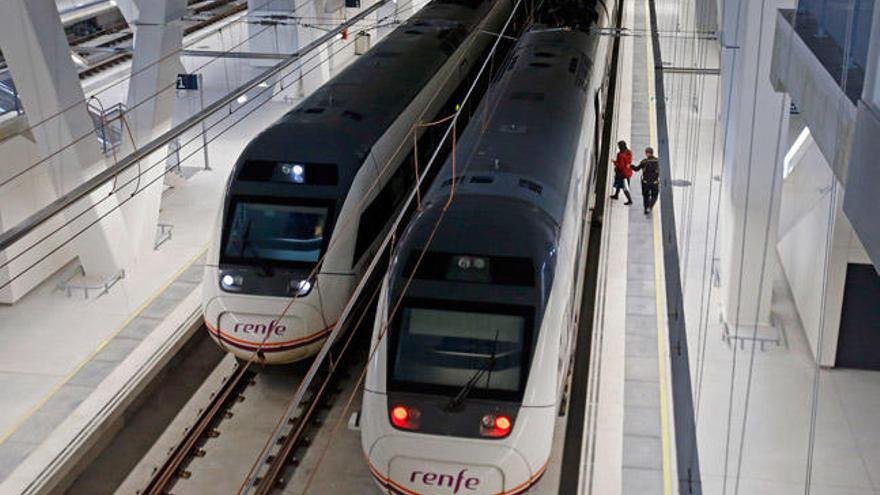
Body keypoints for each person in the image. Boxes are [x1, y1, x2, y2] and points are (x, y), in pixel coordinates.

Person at [632, 146, 660, 214]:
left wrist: (630, 166)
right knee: (655, 196)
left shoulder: (644, 162)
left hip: (645, 183)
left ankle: (646, 209)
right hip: (655, 183)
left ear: (647, 153)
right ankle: (650, 207)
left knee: (645, 196)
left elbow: (636, 169)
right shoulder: (658, 161)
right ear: (652, 153)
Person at [610, 140, 633, 205]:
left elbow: (620, 166)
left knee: (624, 187)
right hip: (628, 172)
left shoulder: (620, 155)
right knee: (619, 184)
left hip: (622, 174)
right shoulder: (629, 152)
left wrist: (614, 162)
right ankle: (616, 195)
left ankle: (630, 200)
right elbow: (628, 162)